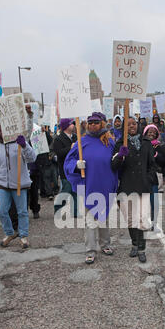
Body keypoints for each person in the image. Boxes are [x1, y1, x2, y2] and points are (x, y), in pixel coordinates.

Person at [64, 112, 118, 264]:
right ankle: (90, 250)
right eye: (90, 122)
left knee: (104, 217)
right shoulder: (81, 143)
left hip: (106, 184)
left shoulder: (110, 141)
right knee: (89, 219)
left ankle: (105, 244)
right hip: (88, 185)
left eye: (96, 122)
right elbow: (68, 162)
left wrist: (121, 157)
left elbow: (117, 162)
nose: (93, 125)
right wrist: (76, 165)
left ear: (102, 123)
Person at [111, 117, 158, 262]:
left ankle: (142, 248)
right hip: (127, 186)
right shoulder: (119, 144)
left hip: (143, 185)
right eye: (128, 124)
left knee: (143, 218)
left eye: (134, 123)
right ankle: (135, 244)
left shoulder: (146, 143)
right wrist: (120, 156)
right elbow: (113, 166)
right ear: (124, 128)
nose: (132, 126)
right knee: (131, 219)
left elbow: (152, 165)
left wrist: (148, 179)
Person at [0, 125, 36, 249]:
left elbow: (32, 158)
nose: (3, 132)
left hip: (19, 183)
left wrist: (24, 146)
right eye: (0, 130)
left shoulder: (20, 142)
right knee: (2, 210)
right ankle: (10, 233)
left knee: (22, 212)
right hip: (2, 184)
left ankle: (24, 236)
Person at [51, 118, 78, 217]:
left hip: (75, 168)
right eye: (71, 124)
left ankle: (75, 212)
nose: (73, 125)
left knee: (75, 191)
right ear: (66, 126)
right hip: (65, 169)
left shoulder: (75, 137)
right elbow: (59, 153)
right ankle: (58, 208)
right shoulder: (58, 139)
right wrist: (70, 148)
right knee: (66, 190)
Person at [143, 124, 160, 231]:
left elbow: (162, 162)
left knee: (154, 202)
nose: (151, 133)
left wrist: (158, 154)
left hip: (153, 177)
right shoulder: (141, 144)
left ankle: (154, 223)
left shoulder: (159, 146)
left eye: (154, 132)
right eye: (149, 131)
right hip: (142, 178)